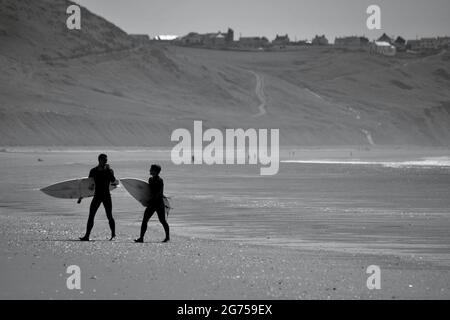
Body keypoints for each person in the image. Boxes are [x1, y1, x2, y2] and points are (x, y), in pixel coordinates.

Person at [80, 154, 118, 241]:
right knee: (91, 215)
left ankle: (113, 234)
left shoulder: (109, 171)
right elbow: (90, 184)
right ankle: (87, 236)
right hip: (97, 195)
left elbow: (113, 180)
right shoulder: (93, 171)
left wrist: (108, 170)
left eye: (106, 160)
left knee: (109, 215)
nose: (106, 161)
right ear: (99, 160)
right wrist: (82, 196)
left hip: (106, 196)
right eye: (104, 160)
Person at [134, 164, 170, 243]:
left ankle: (167, 237)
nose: (150, 170)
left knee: (162, 220)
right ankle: (141, 238)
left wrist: (151, 201)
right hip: (152, 203)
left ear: (156, 171)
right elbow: (148, 191)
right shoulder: (150, 179)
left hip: (158, 203)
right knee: (145, 220)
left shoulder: (160, 180)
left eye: (151, 169)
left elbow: (159, 193)